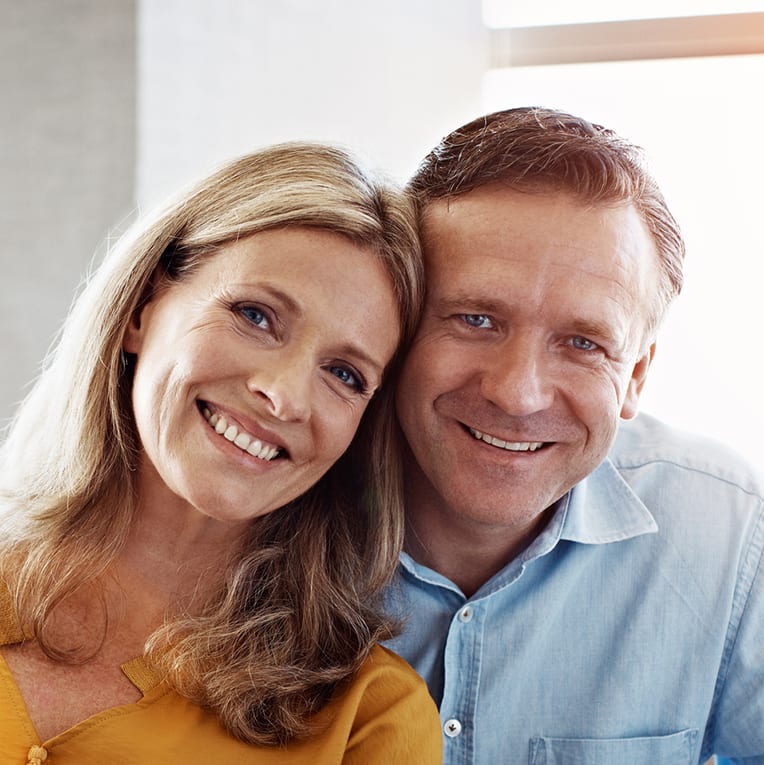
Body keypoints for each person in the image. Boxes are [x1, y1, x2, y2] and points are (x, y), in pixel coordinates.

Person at [0, 142, 443, 763]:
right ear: (142, 306)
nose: (284, 395)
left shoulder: (369, 717)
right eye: (255, 315)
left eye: (344, 374)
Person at [385, 107, 764, 763]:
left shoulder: (726, 528)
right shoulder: (274, 504)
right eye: (476, 318)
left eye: (583, 342)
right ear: (397, 321)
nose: (518, 392)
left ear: (636, 375)